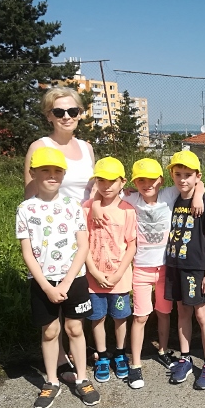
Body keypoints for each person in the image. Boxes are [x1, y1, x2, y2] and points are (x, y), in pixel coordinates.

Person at [16, 147, 100, 408]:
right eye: (45, 170)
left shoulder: (73, 206)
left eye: (57, 171)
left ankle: (82, 378)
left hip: (74, 279)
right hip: (43, 282)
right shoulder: (25, 209)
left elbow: (83, 246)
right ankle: (51, 381)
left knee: (75, 329)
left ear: (63, 175)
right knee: (50, 331)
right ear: (33, 173)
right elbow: (27, 253)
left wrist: (66, 282)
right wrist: (47, 287)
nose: (52, 176)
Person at [24, 86, 96, 383]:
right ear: (48, 115)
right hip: (53, 237)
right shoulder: (39, 147)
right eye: (59, 111)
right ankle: (62, 358)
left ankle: (88, 350)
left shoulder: (87, 148)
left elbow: (94, 189)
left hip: (85, 231)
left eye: (72, 111)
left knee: (80, 294)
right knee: (55, 300)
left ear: (81, 114)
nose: (66, 116)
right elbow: (30, 196)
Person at [119, 158, 204, 389]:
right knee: (140, 317)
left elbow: (197, 181)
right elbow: (104, 191)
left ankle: (163, 350)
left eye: (151, 180)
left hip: (166, 268)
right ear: (134, 182)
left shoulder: (168, 194)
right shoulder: (131, 198)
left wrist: (198, 196)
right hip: (142, 269)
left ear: (161, 180)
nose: (147, 184)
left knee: (164, 313)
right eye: (141, 180)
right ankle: (135, 365)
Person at [164, 151, 205, 390]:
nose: (183, 179)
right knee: (182, 311)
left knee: (201, 314)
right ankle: (185, 358)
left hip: (196, 269)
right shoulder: (173, 198)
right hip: (175, 265)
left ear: (198, 176)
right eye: (178, 174)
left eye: (188, 175)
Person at [82, 157, 136, 385]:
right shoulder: (86, 208)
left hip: (119, 278)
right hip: (93, 278)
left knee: (120, 317)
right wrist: (94, 272)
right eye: (101, 180)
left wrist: (118, 273)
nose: (106, 186)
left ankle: (120, 353)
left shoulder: (128, 210)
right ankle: (102, 356)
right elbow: (83, 243)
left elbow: (132, 245)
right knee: (97, 317)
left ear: (122, 182)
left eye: (112, 181)